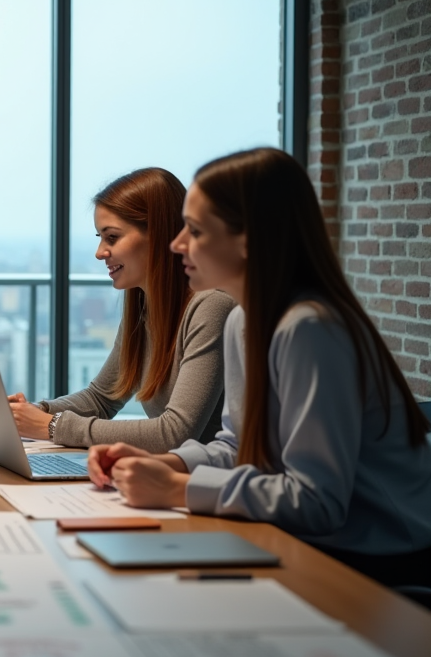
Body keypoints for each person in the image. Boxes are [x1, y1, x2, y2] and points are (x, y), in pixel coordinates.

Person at [88, 148, 431, 587]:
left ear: (248, 238)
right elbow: (239, 448)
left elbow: (316, 502)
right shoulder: (243, 321)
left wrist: (177, 489)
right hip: (313, 541)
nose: (177, 244)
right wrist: (171, 463)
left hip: (378, 559)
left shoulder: (309, 329)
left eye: (194, 231)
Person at [9, 168, 235, 449]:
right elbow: (100, 398)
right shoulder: (144, 307)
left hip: (213, 485)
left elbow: (175, 432)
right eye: (100, 238)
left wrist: (53, 427)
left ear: (160, 235)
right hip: (172, 477)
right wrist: (36, 412)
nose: (100, 252)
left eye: (112, 237)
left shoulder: (212, 306)